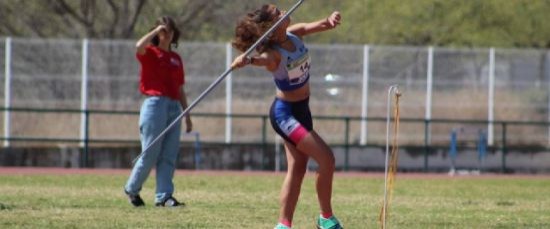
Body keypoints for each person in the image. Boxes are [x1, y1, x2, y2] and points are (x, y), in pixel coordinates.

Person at [231, 4, 342, 229]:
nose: (285, 12)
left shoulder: (293, 34)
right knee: (327, 159)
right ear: (271, 26)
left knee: (298, 167)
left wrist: (329, 21)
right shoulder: (273, 54)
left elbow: (316, 26)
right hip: (285, 114)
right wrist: (248, 61)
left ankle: (283, 224)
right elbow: (264, 61)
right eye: (278, 13)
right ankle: (326, 218)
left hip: (303, 110)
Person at [124, 16, 193, 207]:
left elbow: (180, 89)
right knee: (150, 152)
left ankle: (163, 197)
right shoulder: (150, 53)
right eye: (163, 30)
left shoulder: (176, 59)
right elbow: (138, 46)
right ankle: (132, 189)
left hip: (173, 107)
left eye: (170, 30)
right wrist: (155, 30)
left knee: (169, 154)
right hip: (155, 105)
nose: (167, 34)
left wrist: (187, 115)